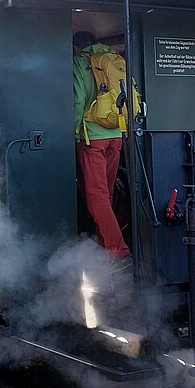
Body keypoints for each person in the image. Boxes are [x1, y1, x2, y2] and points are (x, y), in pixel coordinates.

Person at [73, 31, 132, 268]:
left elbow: (78, 100)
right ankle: (104, 247)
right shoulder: (114, 58)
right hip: (115, 134)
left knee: (95, 197)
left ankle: (118, 251)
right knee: (105, 195)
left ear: (76, 47)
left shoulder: (80, 62)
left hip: (92, 138)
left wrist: (72, 130)